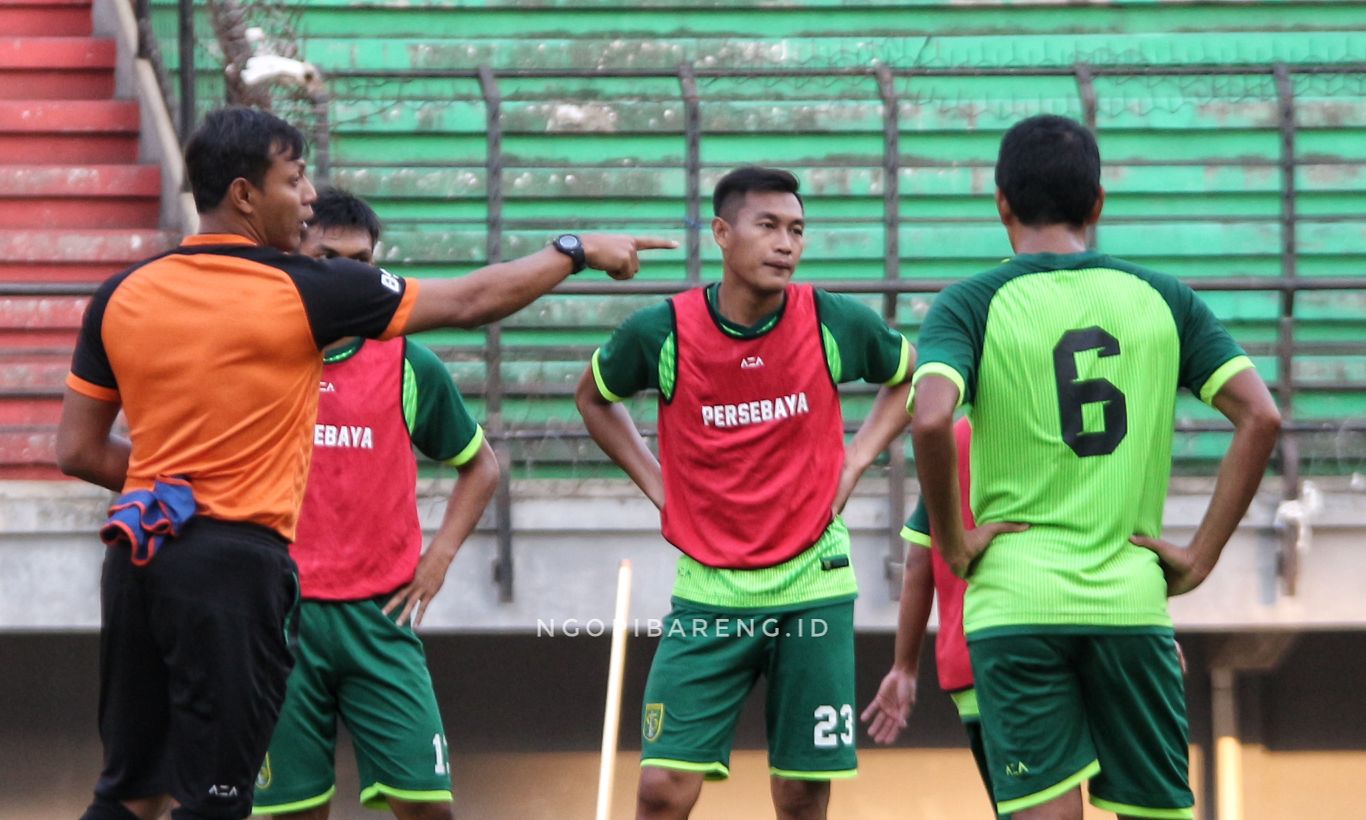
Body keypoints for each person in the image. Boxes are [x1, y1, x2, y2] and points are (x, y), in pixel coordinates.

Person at [55, 106, 673, 820]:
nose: (310, 194)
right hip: (234, 569)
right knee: (219, 799)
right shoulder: (306, 288)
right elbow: (473, 300)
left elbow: (78, 449)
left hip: (138, 555)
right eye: (295, 178)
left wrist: (178, 491)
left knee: (131, 794)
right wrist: (575, 248)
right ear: (244, 195)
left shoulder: (122, 293)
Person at [908, 114, 1281, 820]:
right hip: (1130, 603)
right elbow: (1261, 417)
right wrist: (1200, 556)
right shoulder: (1165, 299)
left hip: (1014, 604)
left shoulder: (971, 302)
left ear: (1001, 204)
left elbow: (929, 417)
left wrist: (955, 546)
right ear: (1098, 203)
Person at [575, 166, 914, 820]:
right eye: (769, 227)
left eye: (797, 230)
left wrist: (854, 462)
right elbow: (593, 398)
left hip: (814, 580)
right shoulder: (662, 330)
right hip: (710, 588)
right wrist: (659, 488)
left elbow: (909, 378)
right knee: (661, 789)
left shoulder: (831, 319)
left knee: (799, 794)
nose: (786, 243)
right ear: (723, 234)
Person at [249, 188, 497, 820]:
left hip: (379, 619)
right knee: (292, 814)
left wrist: (438, 556)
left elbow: (481, 468)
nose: (345, 275)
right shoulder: (257, 357)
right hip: (280, 619)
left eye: (361, 262)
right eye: (327, 256)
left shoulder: (407, 361)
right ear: (296, 256)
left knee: (429, 807)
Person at [862, 417, 1021, 820]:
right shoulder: (1050, 429)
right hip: (1055, 654)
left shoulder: (955, 439)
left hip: (974, 665)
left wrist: (904, 666)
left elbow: (917, 563)